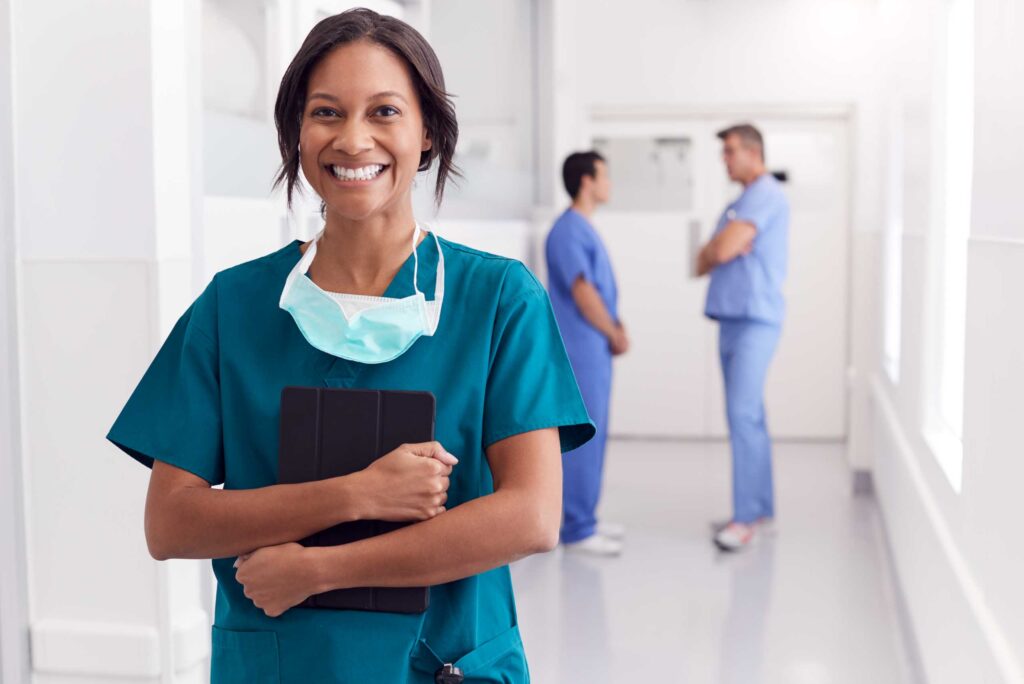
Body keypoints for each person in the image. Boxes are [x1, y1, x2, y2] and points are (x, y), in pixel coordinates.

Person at [107, 9, 593, 682]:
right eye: (326, 112)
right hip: (280, 663)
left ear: (427, 135)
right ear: (298, 135)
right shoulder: (235, 306)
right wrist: (358, 494)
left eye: (385, 111)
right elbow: (171, 523)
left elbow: (532, 517)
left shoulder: (499, 301)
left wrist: (320, 569)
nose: (353, 138)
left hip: (443, 659)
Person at [697, 123, 789, 552]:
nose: (725, 159)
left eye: (730, 151)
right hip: (734, 318)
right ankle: (760, 507)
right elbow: (704, 257)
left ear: (753, 152)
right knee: (751, 415)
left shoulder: (767, 195)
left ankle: (746, 518)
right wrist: (720, 246)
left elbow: (718, 251)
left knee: (742, 414)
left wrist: (721, 246)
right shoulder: (742, 203)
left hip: (754, 320)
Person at [545, 151, 628, 557]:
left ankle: (586, 517)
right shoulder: (567, 232)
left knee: (597, 435)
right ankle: (577, 528)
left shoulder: (583, 228)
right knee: (584, 437)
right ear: (586, 181)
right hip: (581, 347)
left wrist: (616, 325)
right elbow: (583, 291)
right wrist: (611, 329)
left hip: (594, 345)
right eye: (606, 175)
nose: (611, 183)